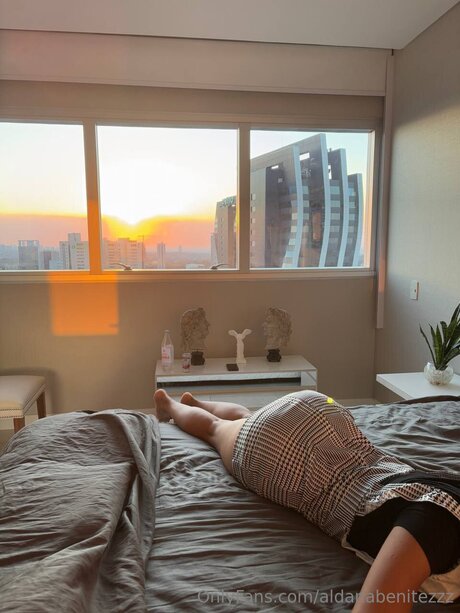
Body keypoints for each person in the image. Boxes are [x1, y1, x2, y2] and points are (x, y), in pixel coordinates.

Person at [154, 388, 460, 612]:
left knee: (248, 417)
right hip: (285, 456)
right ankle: (168, 403)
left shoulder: (443, 507)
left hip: (326, 414)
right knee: (214, 429)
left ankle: (193, 402)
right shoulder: (438, 524)